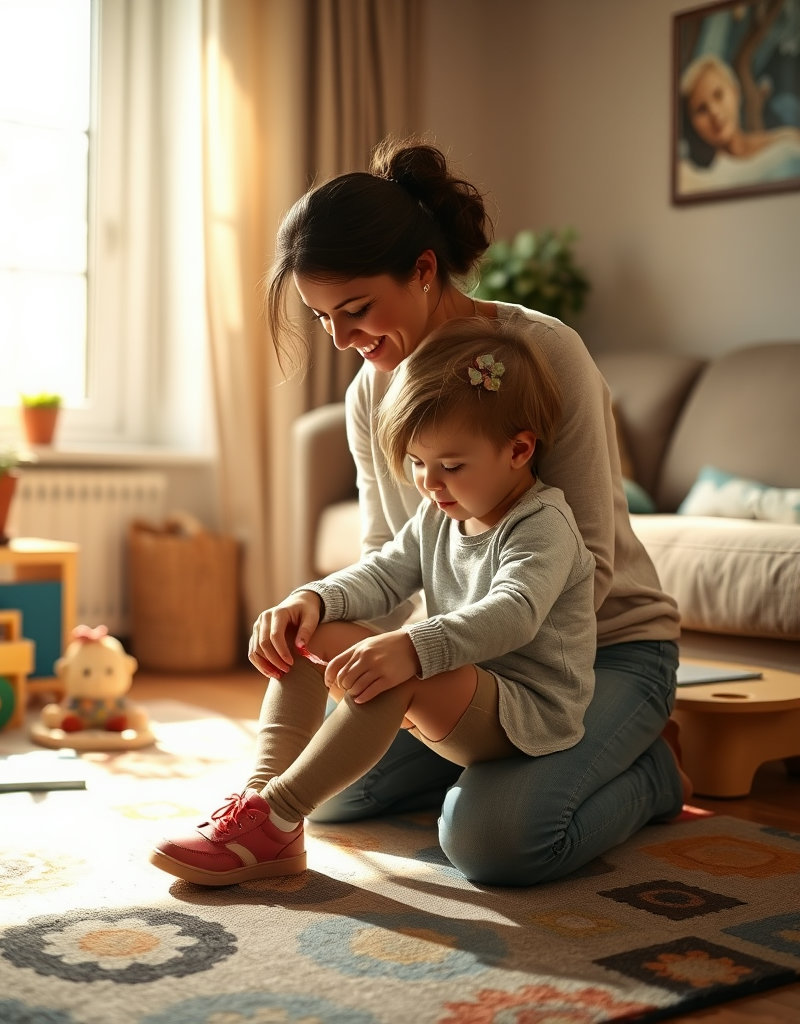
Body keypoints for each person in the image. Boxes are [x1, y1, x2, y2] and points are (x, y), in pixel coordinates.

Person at [156, 137, 685, 887]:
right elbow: (392, 554)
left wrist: (431, 661)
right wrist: (315, 605)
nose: (341, 339)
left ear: (425, 271)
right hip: (467, 657)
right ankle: (270, 809)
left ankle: (651, 771)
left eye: (356, 309)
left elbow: (587, 567)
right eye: (320, 318)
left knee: (497, 843)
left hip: (597, 652)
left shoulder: (542, 353)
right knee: (331, 794)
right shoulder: (371, 393)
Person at [150, 321, 599, 887]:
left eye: (452, 466)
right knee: (309, 632)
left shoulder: (544, 524)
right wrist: (311, 598)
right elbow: (387, 572)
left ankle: (280, 813)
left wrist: (412, 646)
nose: (430, 483)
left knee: (397, 676)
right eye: (417, 462)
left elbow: (515, 610)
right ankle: (262, 803)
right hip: (457, 681)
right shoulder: (441, 512)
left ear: (519, 449)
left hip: (524, 709)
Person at [678, 54, 800, 192]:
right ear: (693, 124)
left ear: (736, 92)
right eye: (701, 109)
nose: (714, 112)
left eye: (718, 95)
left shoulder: (788, 140)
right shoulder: (694, 176)